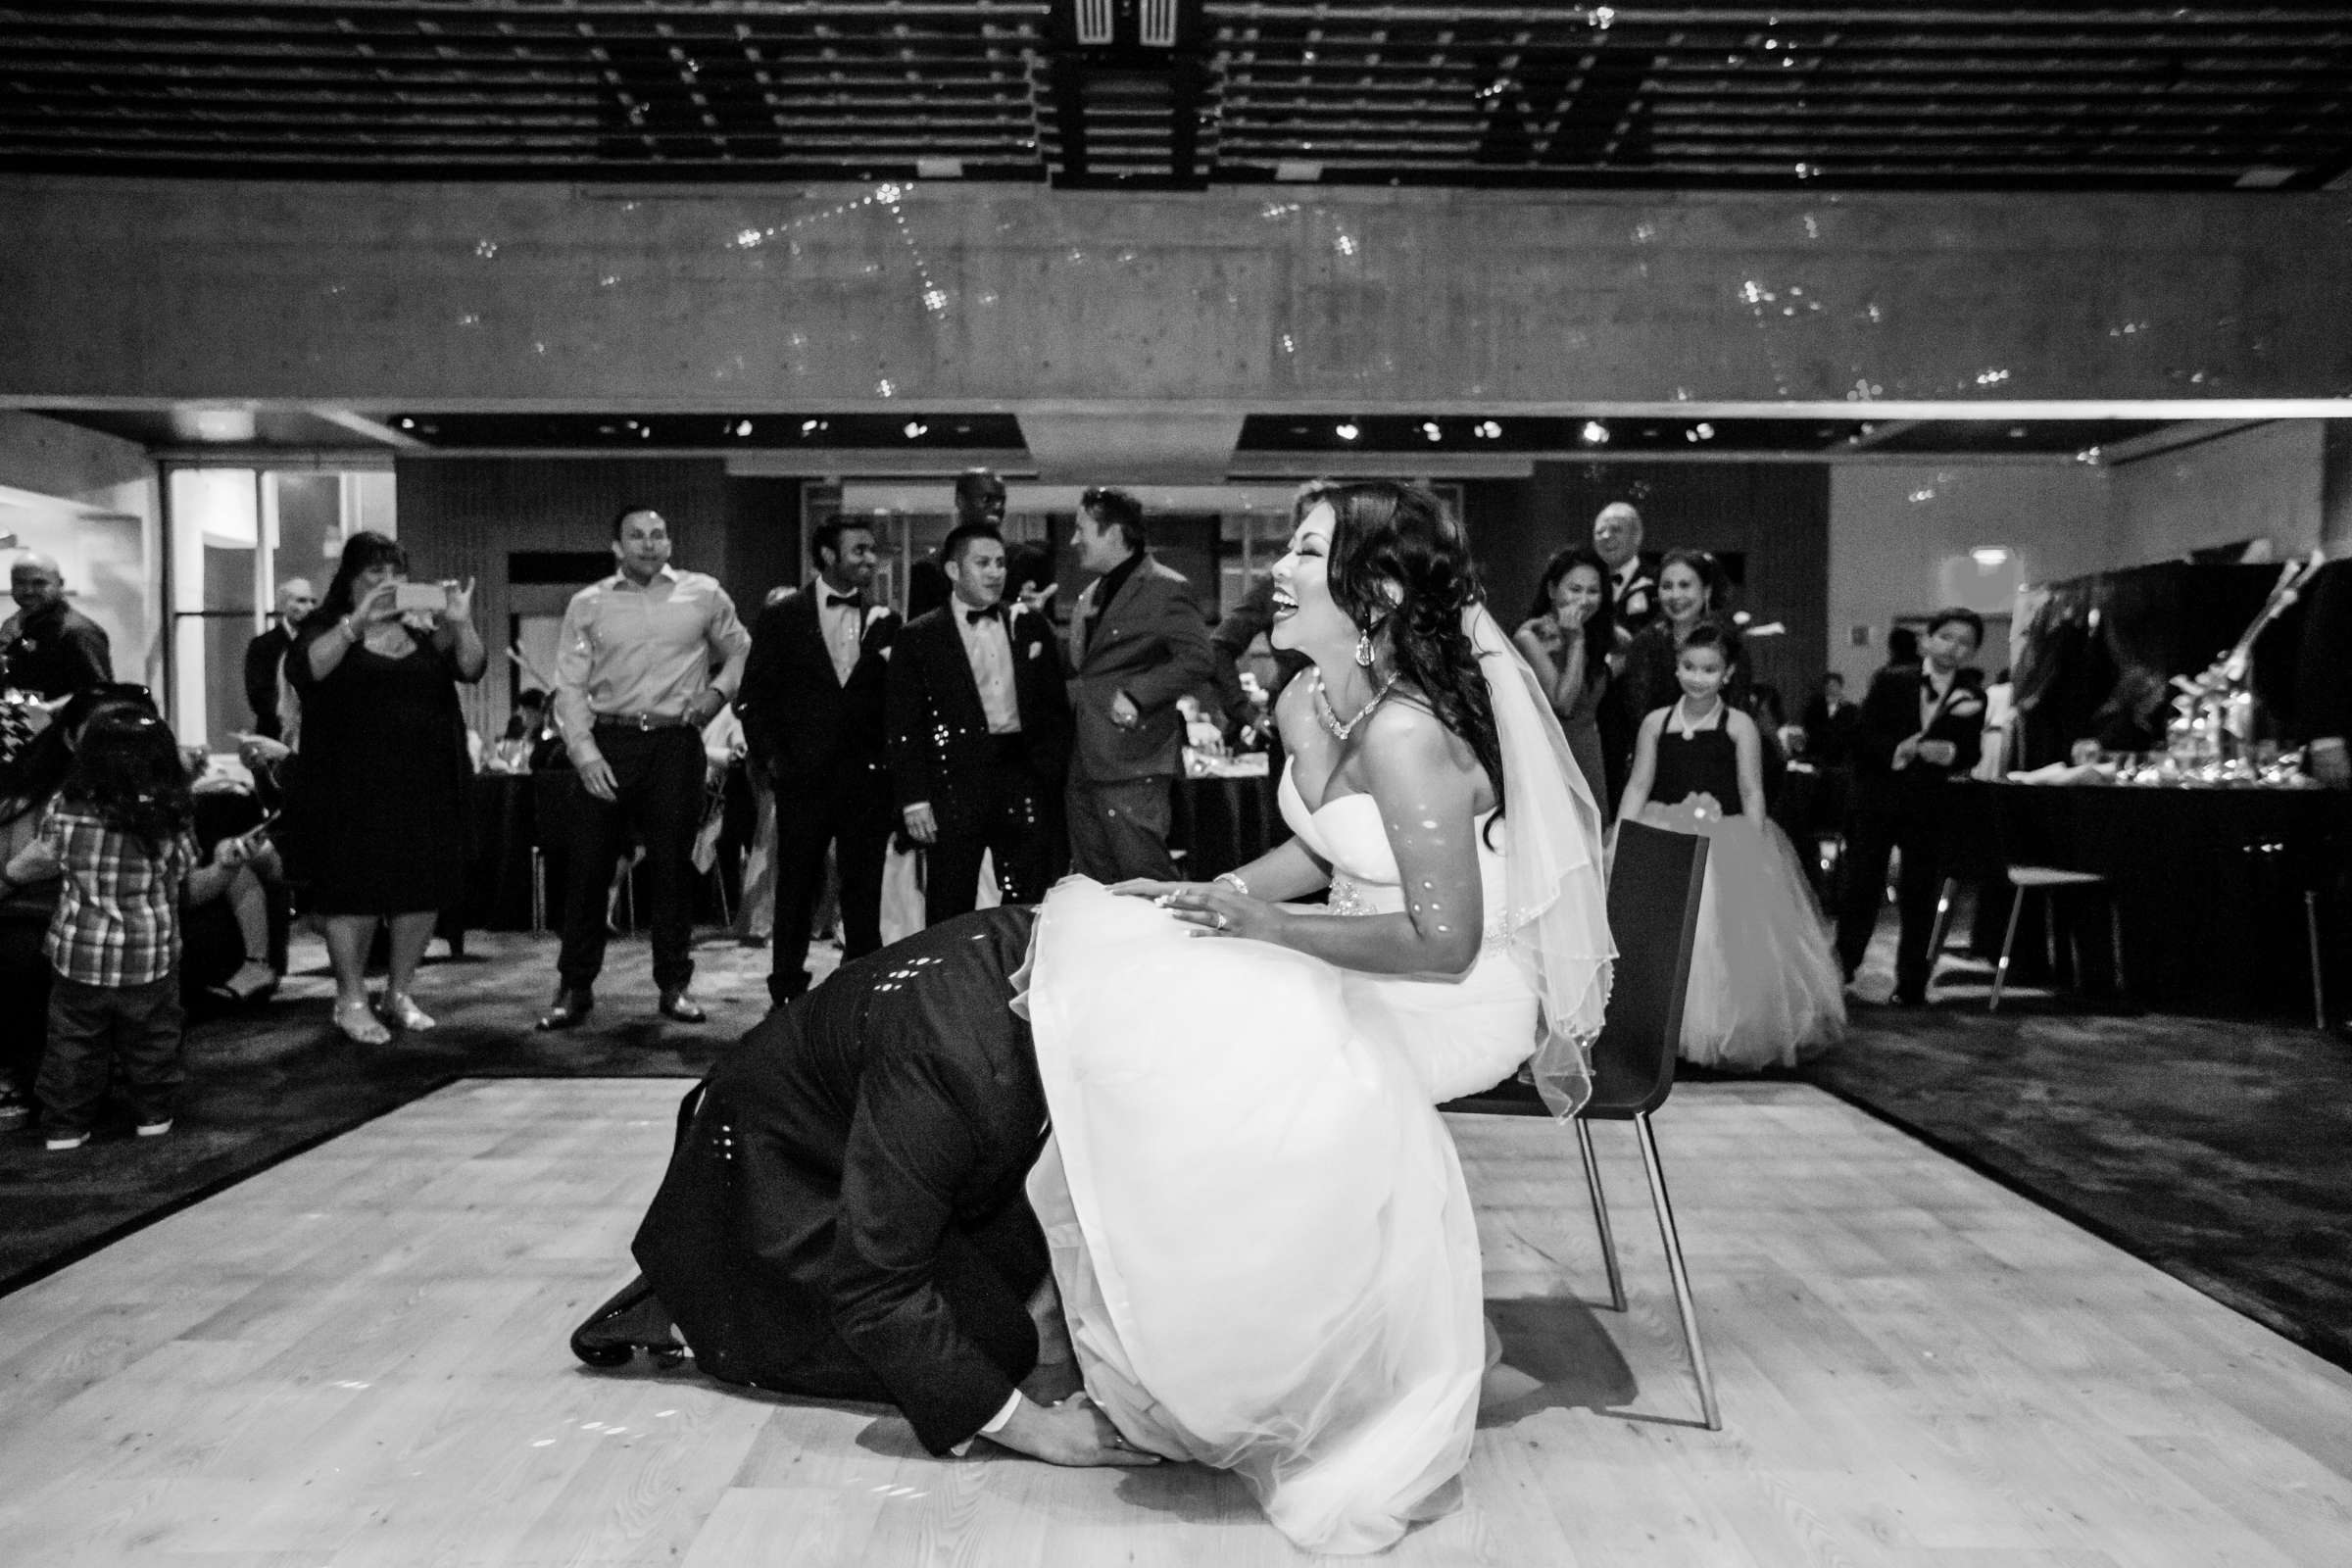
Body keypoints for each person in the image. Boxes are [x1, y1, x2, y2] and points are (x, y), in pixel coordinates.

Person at [1021, 480, 1613, 1552]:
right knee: (1155, 970)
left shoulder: (1410, 731)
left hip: (1455, 990)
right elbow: (1319, 849)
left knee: (1245, 1057)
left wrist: (1264, 930)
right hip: (1358, 948)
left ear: (1376, 589)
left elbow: (1448, 943)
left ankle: (1273, 1358)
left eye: (1301, 552)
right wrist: (1206, 894)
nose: (1274, 575)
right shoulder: (1308, 699)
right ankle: (1190, 1335)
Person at [570, 906, 1152, 1471]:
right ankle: (703, 1301)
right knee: (992, 1349)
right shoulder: (956, 1056)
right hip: (778, 1168)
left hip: (887, 1142)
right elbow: (874, 1291)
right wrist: (1039, 1431)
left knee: (1026, 1294)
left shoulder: (1080, 948)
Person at [0, 709, 250, 1150]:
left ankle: (66, 1126)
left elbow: (38, 858)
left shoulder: (65, 808)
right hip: (148, 953)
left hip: (79, 951)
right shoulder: (172, 815)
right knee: (153, 1040)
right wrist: (227, 862)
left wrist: (11, 876)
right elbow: (184, 880)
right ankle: (153, 1115)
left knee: (73, 1043)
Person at [540, 508, 750, 1029]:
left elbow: (743, 649)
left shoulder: (702, 592)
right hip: (608, 740)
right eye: (637, 536)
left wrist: (718, 693)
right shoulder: (587, 603)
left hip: (676, 742)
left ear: (670, 541)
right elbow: (568, 683)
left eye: (658, 534)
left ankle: (674, 985)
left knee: (673, 871)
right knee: (589, 867)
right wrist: (583, 751)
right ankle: (573, 987)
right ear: (617, 546)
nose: (649, 544)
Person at [284, 532, 484, 1045]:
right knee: (354, 891)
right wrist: (358, 621)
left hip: (424, 781)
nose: (388, 582)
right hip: (348, 786)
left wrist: (458, 621)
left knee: (421, 889)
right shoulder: (326, 628)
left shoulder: (421, 633)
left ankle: (399, 991)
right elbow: (306, 671)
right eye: (375, 572)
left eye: (396, 571)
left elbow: (471, 666)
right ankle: (350, 997)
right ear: (350, 579)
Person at [1617, 623, 1844, 1068]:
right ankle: (1656, 1028)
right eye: (1688, 666)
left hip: (1726, 838)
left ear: (1727, 673)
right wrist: (1623, 835)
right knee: (1660, 935)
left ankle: (1718, 1030)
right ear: (1676, 667)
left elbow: (1751, 788)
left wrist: (1758, 844)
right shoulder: (1655, 722)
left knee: (1721, 939)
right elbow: (1639, 782)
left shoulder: (1738, 724)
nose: (1697, 677)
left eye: (1708, 669)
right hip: (1661, 834)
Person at [737, 517, 899, 1008]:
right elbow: (754, 698)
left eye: (873, 551)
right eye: (860, 551)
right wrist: (774, 761)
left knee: (863, 893)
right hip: (803, 780)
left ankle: (861, 992)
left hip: (867, 782)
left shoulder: (886, 619)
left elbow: (896, 701)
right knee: (795, 891)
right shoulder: (784, 616)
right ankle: (786, 994)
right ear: (828, 556)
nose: (871, 559)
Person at [887, 522, 1071, 924]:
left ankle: (1020, 980)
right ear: (953, 570)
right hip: (953, 781)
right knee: (949, 901)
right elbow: (905, 722)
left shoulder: (1030, 624)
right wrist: (915, 797)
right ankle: (948, 985)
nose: (995, 572)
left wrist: (1051, 773)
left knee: (1029, 899)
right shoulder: (918, 636)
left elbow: (1055, 708)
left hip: (1023, 777)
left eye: (1001, 563)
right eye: (982, 563)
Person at [1061, 486, 1214, 883]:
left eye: (1082, 529)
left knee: (1143, 875)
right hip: (1085, 756)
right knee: (1093, 880)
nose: (1073, 540)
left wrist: (1138, 693)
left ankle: (1168, 946)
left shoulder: (1166, 587)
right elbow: (1088, 670)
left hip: (1133, 757)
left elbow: (1199, 658)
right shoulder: (1092, 593)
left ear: (1113, 533)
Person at [1835, 608, 1987, 1004]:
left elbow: (1971, 750)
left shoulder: (1974, 694)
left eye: (1965, 643)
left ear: (1972, 653)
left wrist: (1951, 751)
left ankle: (1912, 983)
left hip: (1929, 805)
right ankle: (1843, 968)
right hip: (1878, 798)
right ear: (1928, 640)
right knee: (1862, 886)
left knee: (1920, 893)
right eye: (1948, 637)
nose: (1954, 648)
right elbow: (1860, 737)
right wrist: (1896, 750)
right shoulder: (1891, 679)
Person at [1512, 544, 1614, 801]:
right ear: (1552, 590)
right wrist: (1576, 641)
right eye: (1575, 589)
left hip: (1589, 754)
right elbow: (1563, 703)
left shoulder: (1598, 634)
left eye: (1593, 591)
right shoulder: (1530, 636)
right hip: (1550, 757)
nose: (1584, 600)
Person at [1615, 548, 1747, 743]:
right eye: (1667, 586)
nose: (1675, 595)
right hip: (1657, 753)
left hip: (1719, 751)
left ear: (1706, 591)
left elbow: (1739, 710)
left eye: (1685, 585)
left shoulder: (1728, 643)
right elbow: (1638, 715)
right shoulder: (1645, 643)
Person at [2, 553, 114, 703]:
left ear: (60, 584)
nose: (28, 591)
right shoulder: (14, 624)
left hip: (60, 724)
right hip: (19, 721)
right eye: (20, 583)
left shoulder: (79, 632)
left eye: (39, 583)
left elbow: (99, 692)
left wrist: (50, 709)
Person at [242, 578, 315, 741]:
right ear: (283, 604)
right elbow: (258, 696)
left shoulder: (321, 643)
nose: (310, 607)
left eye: (312, 601)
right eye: (301, 601)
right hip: (274, 735)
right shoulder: (262, 645)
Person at [1800, 671, 1861, 766]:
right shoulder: (1815, 706)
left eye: (1834, 685)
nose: (1831, 688)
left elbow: (1850, 730)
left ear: (1840, 687)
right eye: (1829, 685)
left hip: (1840, 752)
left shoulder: (1850, 709)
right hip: (1817, 749)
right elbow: (1809, 725)